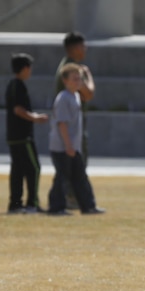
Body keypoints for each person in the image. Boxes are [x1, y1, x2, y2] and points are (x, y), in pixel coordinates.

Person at [47, 63, 104, 216]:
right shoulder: (63, 98)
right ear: (65, 81)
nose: (78, 82)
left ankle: (88, 206)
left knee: (79, 176)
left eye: (79, 78)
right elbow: (62, 124)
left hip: (73, 146)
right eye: (74, 79)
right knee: (62, 176)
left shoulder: (76, 96)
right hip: (63, 146)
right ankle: (56, 207)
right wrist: (68, 146)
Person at [55, 32, 96, 209]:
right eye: (82, 46)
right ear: (75, 48)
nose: (85, 49)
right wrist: (88, 75)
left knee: (69, 164)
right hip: (72, 124)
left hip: (70, 122)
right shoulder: (73, 70)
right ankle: (70, 198)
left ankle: (70, 198)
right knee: (73, 163)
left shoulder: (66, 67)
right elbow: (88, 94)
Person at [5, 53, 49, 214]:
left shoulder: (12, 85)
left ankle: (15, 204)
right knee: (33, 168)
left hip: (13, 136)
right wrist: (35, 118)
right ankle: (32, 203)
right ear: (24, 68)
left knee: (17, 170)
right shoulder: (19, 86)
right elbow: (18, 109)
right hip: (23, 136)